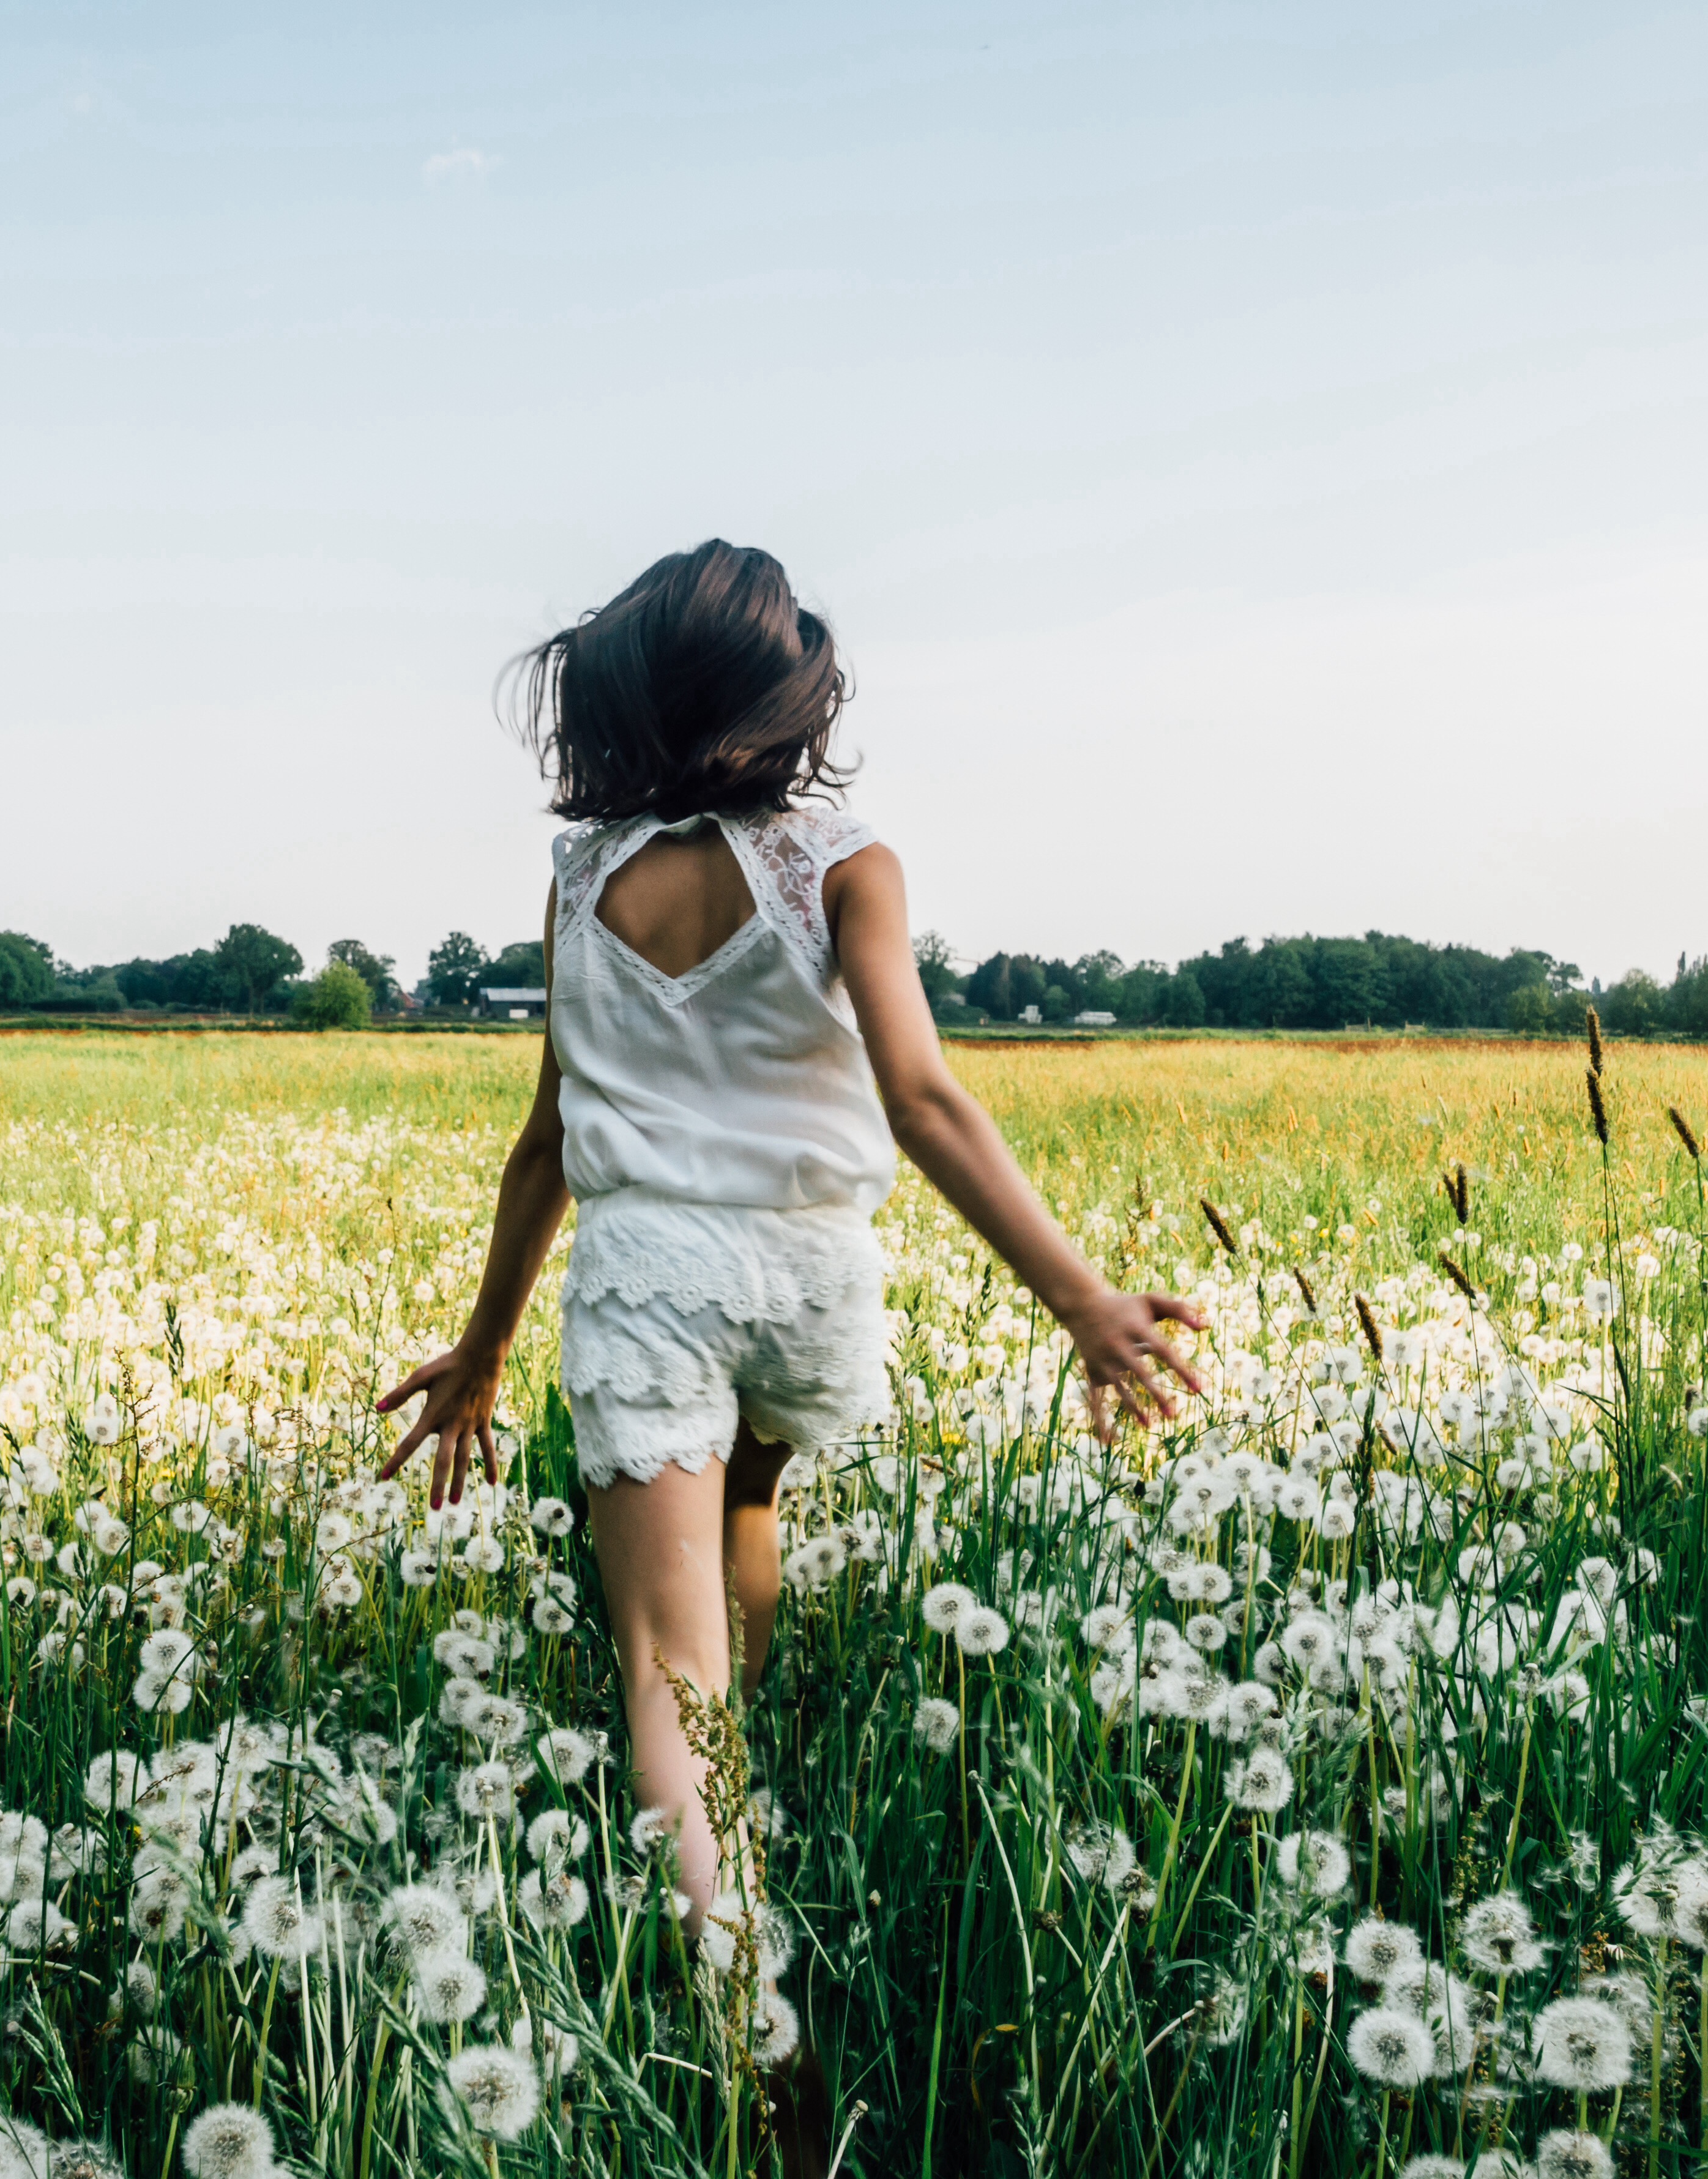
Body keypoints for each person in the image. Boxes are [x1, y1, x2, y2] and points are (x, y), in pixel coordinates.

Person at [376, 540, 1205, 1929]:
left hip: (650, 1282)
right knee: (750, 1503)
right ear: (784, 702)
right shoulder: (847, 864)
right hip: (810, 1279)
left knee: (663, 1665)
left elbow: (550, 1140)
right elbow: (925, 1099)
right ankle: (732, 1806)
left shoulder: (583, 879)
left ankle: (734, 2002)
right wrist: (1081, 1301)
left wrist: (485, 1344)